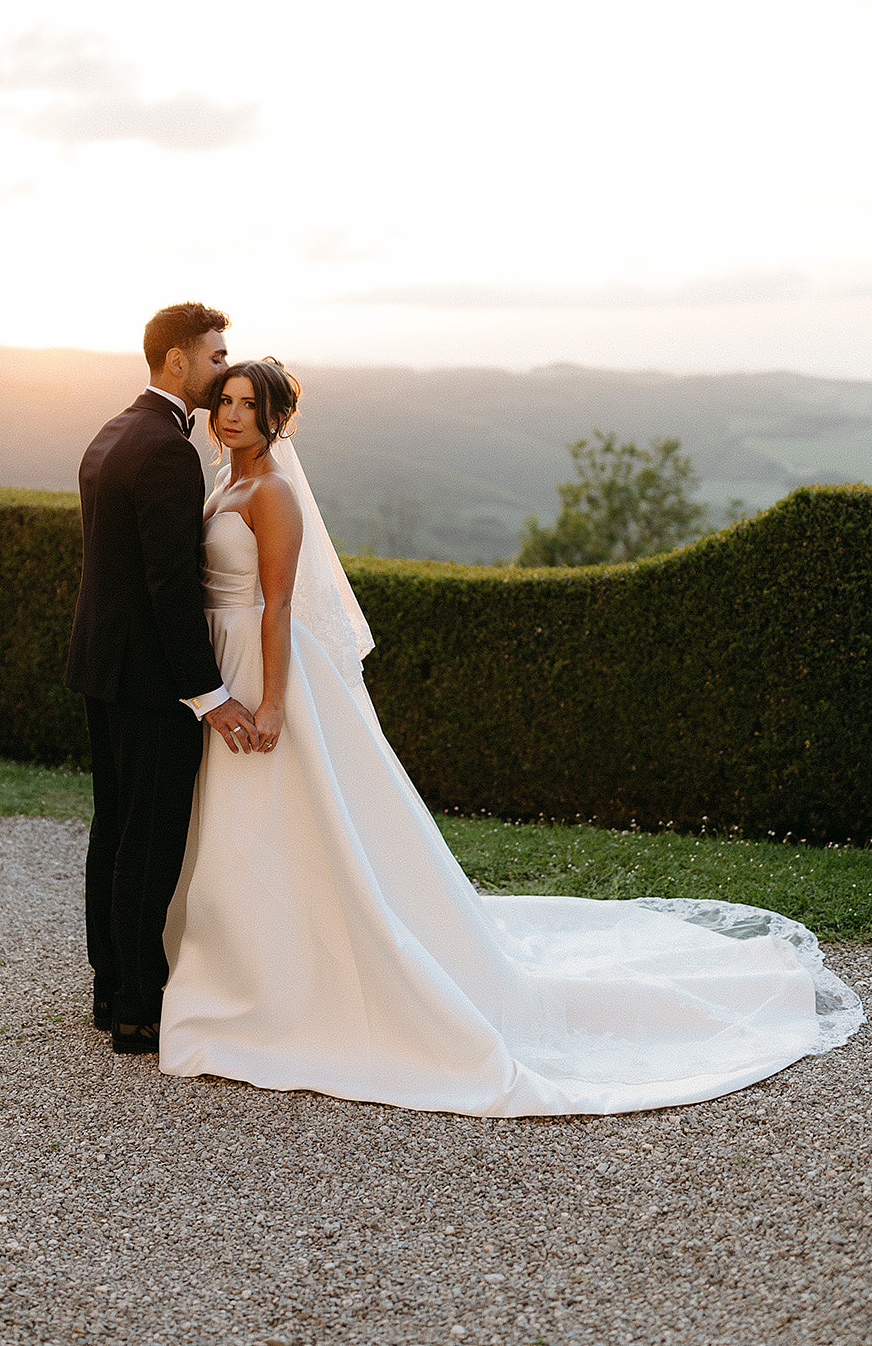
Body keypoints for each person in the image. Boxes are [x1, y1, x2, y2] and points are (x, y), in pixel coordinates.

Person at [158, 359, 864, 1116]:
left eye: (247, 406)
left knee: (280, 822)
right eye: (225, 402)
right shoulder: (221, 484)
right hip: (224, 669)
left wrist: (270, 707)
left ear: (276, 421)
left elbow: (276, 607)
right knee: (243, 827)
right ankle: (248, 971)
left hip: (267, 676)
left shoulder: (273, 493)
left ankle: (295, 986)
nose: (231, 415)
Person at [65, 303, 262, 1056]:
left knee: (113, 827)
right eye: (215, 358)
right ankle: (139, 1011)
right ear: (177, 362)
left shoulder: (114, 430)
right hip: (149, 681)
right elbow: (168, 583)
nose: (222, 370)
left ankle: (110, 985)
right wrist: (208, 692)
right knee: (149, 838)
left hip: (100, 664)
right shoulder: (169, 452)